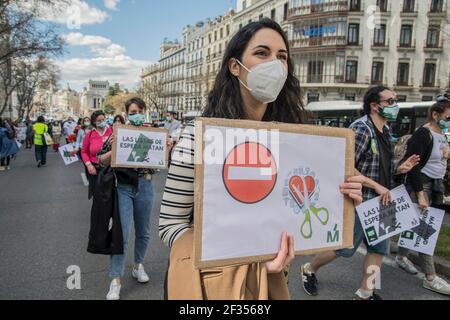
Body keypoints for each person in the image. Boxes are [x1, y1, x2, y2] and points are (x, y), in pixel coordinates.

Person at [159, 19, 364, 300]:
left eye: (282, 57)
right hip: (214, 288)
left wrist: (340, 198)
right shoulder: (198, 138)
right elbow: (171, 225)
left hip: (272, 281)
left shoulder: (295, 143)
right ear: (235, 66)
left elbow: (299, 213)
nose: (275, 64)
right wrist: (242, 261)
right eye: (262, 53)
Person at [300, 86, 420, 300]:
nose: (395, 105)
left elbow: (380, 167)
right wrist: (374, 185)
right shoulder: (362, 128)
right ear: (375, 105)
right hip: (359, 200)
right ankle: (309, 268)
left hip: (382, 201)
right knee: (344, 249)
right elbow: (344, 164)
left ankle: (366, 292)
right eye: (390, 101)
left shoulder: (385, 131)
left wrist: (400, 169)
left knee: (379, 250)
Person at [97, 98, 156, 300]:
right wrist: (115, 149)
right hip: (123, 187)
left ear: (144, 112)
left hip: (146, 185)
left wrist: (167, 147)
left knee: (144, 232)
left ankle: (138, 266)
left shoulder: (154, 132)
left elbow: (162, 161)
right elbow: (100, 158)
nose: (136, 114)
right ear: (127, 114)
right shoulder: (117, 133)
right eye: (132, 111)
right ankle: (115, 280)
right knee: (122, 235)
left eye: (139, 110)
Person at [395, 98, 450, 295]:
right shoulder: (422, 134)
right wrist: (420, 194)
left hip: (436, 185)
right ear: (435, 115)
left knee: (416, 224)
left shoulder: (442, 133)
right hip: (423, 184)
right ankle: (430, 276)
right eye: (448, 117)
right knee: (425, 230)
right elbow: (414, 166)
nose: (449, 121)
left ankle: (401, 257)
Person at [81, 111, 112, 199]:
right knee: (97, 195)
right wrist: (89, 165)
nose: (102, 122)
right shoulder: (89, 134)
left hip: (110, 169)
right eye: (99, 120)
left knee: (109, 195)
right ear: (94, 122)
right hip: (95, 169)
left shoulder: (112, 131)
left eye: (103, 119)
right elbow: (84, 152)